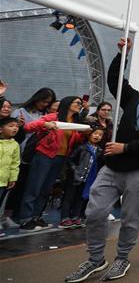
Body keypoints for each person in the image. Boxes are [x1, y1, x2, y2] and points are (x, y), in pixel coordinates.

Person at [65, 37, 139, 283]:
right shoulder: (134, 99)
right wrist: (122, 54)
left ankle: (122, 258)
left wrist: (124, 147)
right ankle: (95, 259)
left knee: (130, 218)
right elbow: (114, 80)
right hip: (112, 168)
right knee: (95, 212)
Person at [19, 96, 86, 230]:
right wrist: (45, 124)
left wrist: (85, 134)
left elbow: (73, 139)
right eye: (77, 103)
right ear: (68, 104)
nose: (80, 106)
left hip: (60, 158)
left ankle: (36, 217)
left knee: (46, 189)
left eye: (80, 104)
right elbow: (28, 126)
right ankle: (25, 218)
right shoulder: (53, 117)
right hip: (44, 155)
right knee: (34, 187)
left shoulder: (74, 121)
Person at [7, 87, 55, 225]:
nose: (45, 104)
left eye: (48, 102)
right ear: (37, 98)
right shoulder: (20, 112)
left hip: (38, 152)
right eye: (43, 101)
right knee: (17, 183)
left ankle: (18, 214)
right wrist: (21, 126)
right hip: (22, 150)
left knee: (29, 185)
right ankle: (7, 214)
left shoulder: (46, 115)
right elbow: (13, 131)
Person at [59, 127, 105, 228]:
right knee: (69, 197)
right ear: (90, 134)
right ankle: (64, 218)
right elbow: (70, 159)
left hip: (88, 178)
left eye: (100, 135)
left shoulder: (99, 151)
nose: (97, 136)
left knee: (81, 197)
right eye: (95, 133)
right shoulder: (81, 147)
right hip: (75, 177)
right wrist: (75, 170)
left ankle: (76, 216)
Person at [0, 108, 21, 238]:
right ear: (1, 129)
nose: (15, 128)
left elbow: (15, 163)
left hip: (4, 180)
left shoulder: (15, 145)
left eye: (16, 126)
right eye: (11, 126)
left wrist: (13, 178)